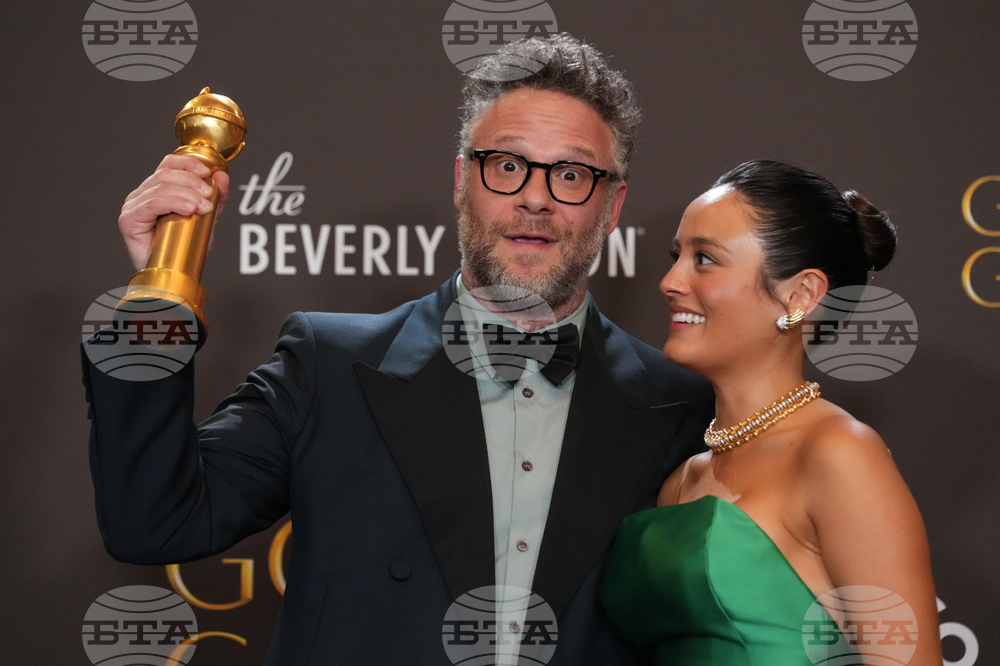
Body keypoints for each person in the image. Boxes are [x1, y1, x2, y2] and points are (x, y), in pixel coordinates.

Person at [82, 35, 713, 664]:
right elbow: (154, 521)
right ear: (463, 180)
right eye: (507, 165)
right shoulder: (327, 367)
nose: (536, 197)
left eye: (572, 174)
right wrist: (156, 296)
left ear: (612, 205)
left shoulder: (681, 404)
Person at [600, 160, 941, 664]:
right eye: (676, 256)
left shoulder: (840, 455)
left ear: (800, 296)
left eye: (705, 259)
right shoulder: (683, 480)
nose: (670, 281)